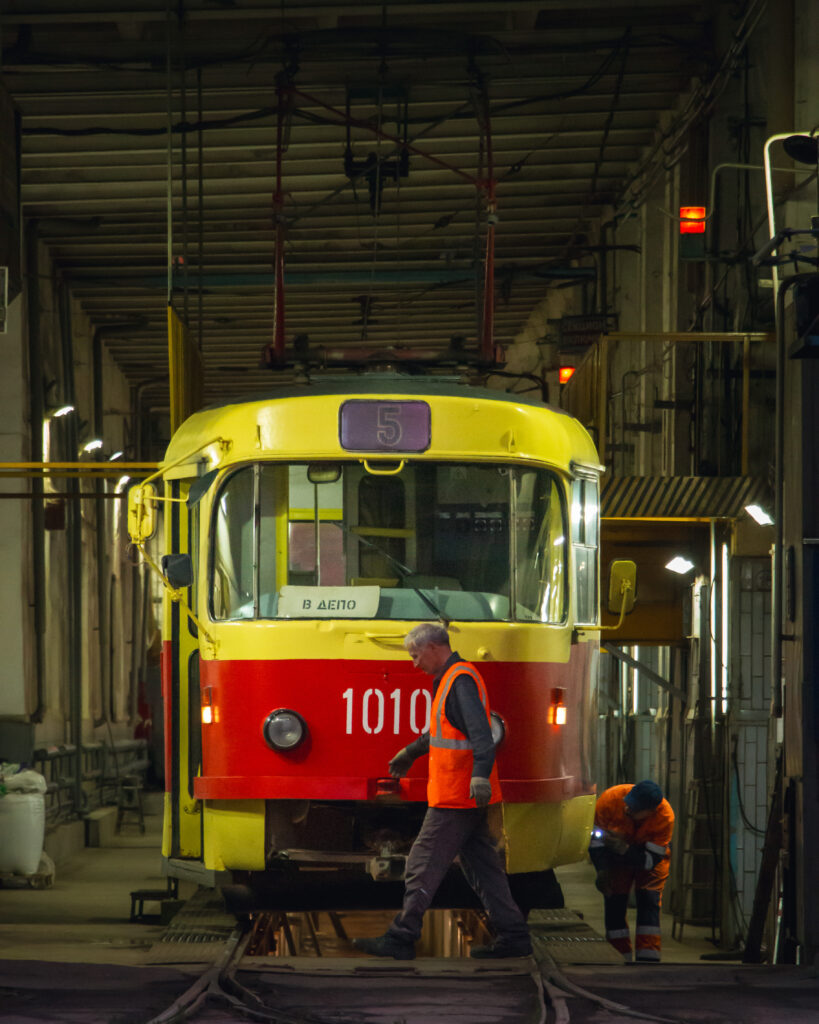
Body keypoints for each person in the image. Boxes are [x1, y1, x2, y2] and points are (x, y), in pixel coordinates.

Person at [352, 622, 532, 960]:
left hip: (457, 796)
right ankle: (514, 936)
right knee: (484, 869)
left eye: (415, 655)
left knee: (421, 863)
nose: (414, 663)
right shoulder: (451, 678)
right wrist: (411, 752)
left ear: (433, 648)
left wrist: (479, 776)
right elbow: (443, 731)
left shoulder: (459, 680)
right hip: (462, 795)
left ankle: (402, 937)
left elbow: (481, 734)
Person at [588, 780, 675, 963]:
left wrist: (624, 849)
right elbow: (595, 843)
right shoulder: (610, 800)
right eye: (628, 804)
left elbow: (650, 861)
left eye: (634, 809)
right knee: (615, 902)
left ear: (651, 811)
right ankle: (619, 957)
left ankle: (648, 959)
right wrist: (602, 870)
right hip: (616, 859)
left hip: (649, 860)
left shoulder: (664, 817)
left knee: (648, 901)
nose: (628, 809)